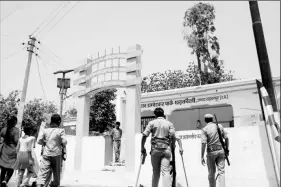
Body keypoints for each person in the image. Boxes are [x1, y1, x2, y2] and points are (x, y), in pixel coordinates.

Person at [141, 107, 183, 187]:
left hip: (155, 150)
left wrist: (142, 148)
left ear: (155, 115)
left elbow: (144, 136)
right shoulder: (169, 123)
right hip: (166, 150)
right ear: (163, 114)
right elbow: (173, 136)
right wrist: (173, 145)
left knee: (156, 172)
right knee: (166, 171)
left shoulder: (152, 123)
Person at [35, 114, 67, 187]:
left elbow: (39, 141)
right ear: (59, 122)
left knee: (43, 172)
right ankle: (55, 184)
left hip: (46, 154)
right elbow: (64, 142)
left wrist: (46, 143)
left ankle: (39, 184)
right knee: (56, 173)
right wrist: (61, 144)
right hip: (57, 154)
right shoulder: (61, 131)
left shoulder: (45, 130)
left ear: (51, 121)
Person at [201, 114, 229, 187]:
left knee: (211, 173)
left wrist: (202, 156)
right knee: (222, 172)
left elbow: (203, 143)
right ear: (212, 119)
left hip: (211, 152)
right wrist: (227, 150)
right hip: (221, 151)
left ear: (205, 120)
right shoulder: (219, 126)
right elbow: (226, 138)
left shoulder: (205, 129)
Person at [0, 115, 20, 187]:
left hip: (4, 150)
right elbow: (16, 140)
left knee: (3, 168)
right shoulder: (16, 130)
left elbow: (1, 140)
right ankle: (5, 181)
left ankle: (2, 181)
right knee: (11, 168)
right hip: (12, 151)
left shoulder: (3, 129)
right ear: (15, 122)